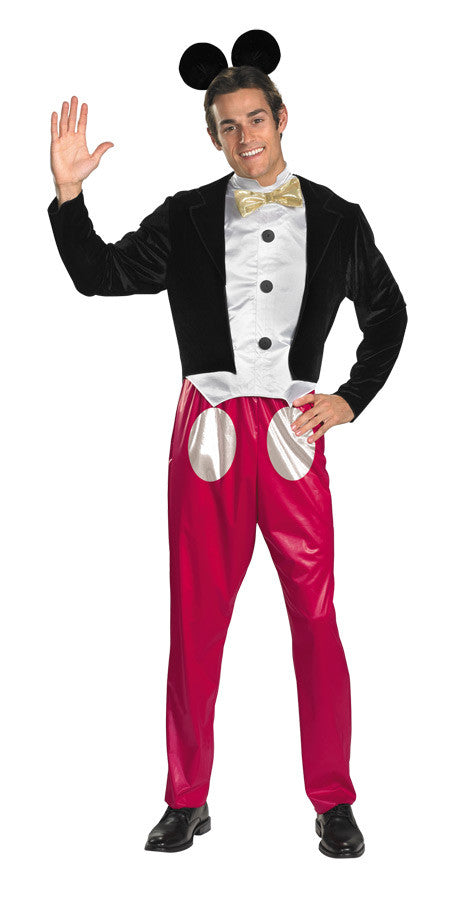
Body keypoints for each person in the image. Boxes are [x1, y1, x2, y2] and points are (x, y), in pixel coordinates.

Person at [47, 30, 407, 858]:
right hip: (207, 428)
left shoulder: (338, 218)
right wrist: (69, 196)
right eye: (227, 126)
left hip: (291, 432)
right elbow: (100, 274)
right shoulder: (185, 216)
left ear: (281, 117)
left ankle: (333, 799)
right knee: (196, 619)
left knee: (314, 616)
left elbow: (389, 314)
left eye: (255, 119)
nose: (245, 136)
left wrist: (350, 398)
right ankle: (186, 797)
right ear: (212, 137)